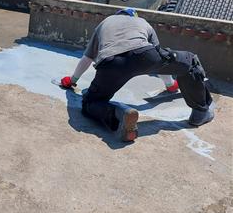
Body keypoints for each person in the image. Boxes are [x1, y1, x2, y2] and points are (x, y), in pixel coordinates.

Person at [60, 8, 214, 142]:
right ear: (133, 16)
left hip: (111, 64)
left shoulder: (105, 23)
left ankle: (119, 115)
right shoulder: (142, 22)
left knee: (90, 103)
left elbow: (87, 58)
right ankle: (200, 113)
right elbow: (160, 57)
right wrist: (170, 85)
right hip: (144, 55)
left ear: (118, 15)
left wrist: (72, 80)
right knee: (190, 62)